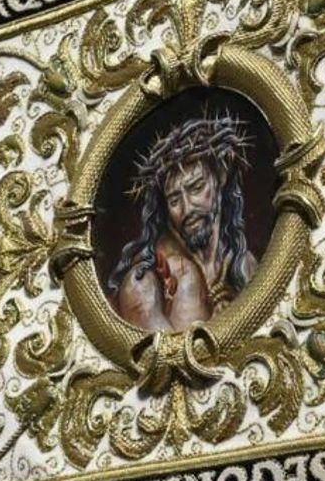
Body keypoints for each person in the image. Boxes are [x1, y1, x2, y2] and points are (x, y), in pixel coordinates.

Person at [105, 110, 259, 331]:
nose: (187, 209)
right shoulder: (145, 281)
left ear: (221, 176)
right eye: (174, 199)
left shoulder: (244, 265)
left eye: (196, 188)